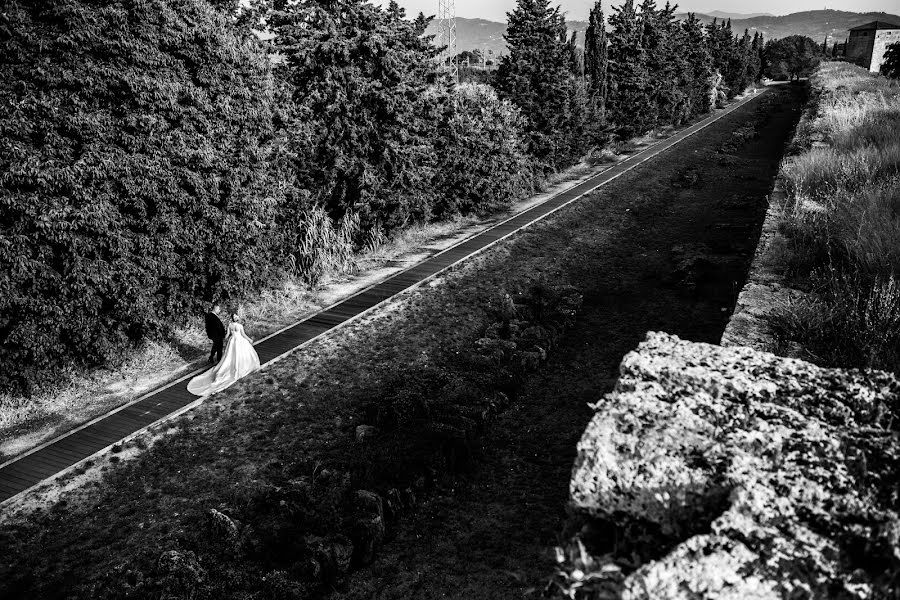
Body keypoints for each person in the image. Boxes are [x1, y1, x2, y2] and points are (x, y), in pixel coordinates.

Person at [188, 314, 261, 396]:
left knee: (230, 355)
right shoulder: (240, 326)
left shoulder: (230, 325)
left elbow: (227, 335)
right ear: (237, 318)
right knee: (241, 354)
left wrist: (223, 339)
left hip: (232, 341)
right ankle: (242, 367)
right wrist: (249, 339)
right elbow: (243, 335)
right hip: (239, 341)